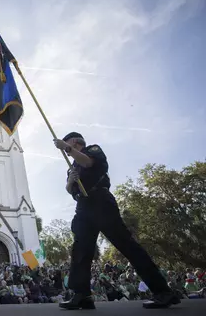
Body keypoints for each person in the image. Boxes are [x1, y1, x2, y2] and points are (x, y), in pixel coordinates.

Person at [53, 132, 179, 309]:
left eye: (67, 144)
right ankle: (82, 295)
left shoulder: (92, 151)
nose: (65, 150)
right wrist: (70, 181)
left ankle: (163, 291)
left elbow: (89, 162)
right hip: (83, 207)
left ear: (74, 141)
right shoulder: (72, 165)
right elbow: (70, 189)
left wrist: (66, 148)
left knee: (127, 245)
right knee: (80, 251)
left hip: (101, 203)